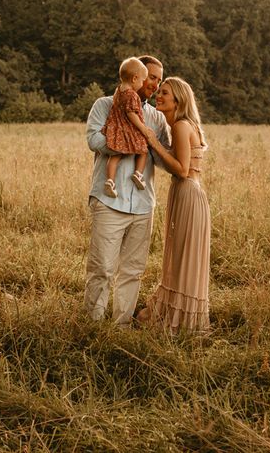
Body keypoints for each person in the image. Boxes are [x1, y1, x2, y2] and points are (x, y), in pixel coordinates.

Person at [84, 55, 170, 327]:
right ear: (138, 76)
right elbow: (93, 139)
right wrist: (130, 142)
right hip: (109, 201)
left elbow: (165, 154)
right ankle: (93, 326)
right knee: (102, 269)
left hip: (144, 205)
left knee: (133, 271)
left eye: (158, 79)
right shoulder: (104, 105)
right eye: (150, 77)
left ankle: (120, 326)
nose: (154, 84)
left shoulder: (157, 118)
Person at [137, 77, 210, 335]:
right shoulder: (183, 125)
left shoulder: (180, 126)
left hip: (188, 192)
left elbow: (181, 169)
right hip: (190, 194)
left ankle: (178, 319)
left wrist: (153, 141)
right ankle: (177, 312)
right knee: (181, 256)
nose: (159, 95)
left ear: (178, 100)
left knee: (181, 257)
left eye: (165, 93)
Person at [101, 57, 151, 199]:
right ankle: (138, 174)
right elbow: (131, 114)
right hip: (127, 130)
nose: (142, 84)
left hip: (116, 129)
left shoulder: (118, 92)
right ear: (135, 78)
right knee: (143, 150)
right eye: (142, 80)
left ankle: (110, 181)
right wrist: (143, 128)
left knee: (115, 156)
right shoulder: (132, 95)